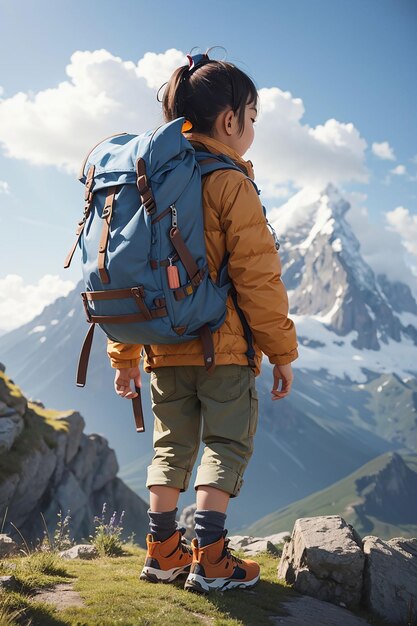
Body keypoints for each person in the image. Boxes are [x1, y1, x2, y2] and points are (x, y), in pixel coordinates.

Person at [107, 51, 298, 594]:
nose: (253, 130)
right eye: (253, 119)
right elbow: (258, 277)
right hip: (224, 349)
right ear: (230, 120)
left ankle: (162, 551)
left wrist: (124, 357)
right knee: (224, 444)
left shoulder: (150, 184)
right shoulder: (230, 183)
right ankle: (211, 558)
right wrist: (282, 352)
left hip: (161, 347)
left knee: (171, 447)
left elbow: (132, 275)